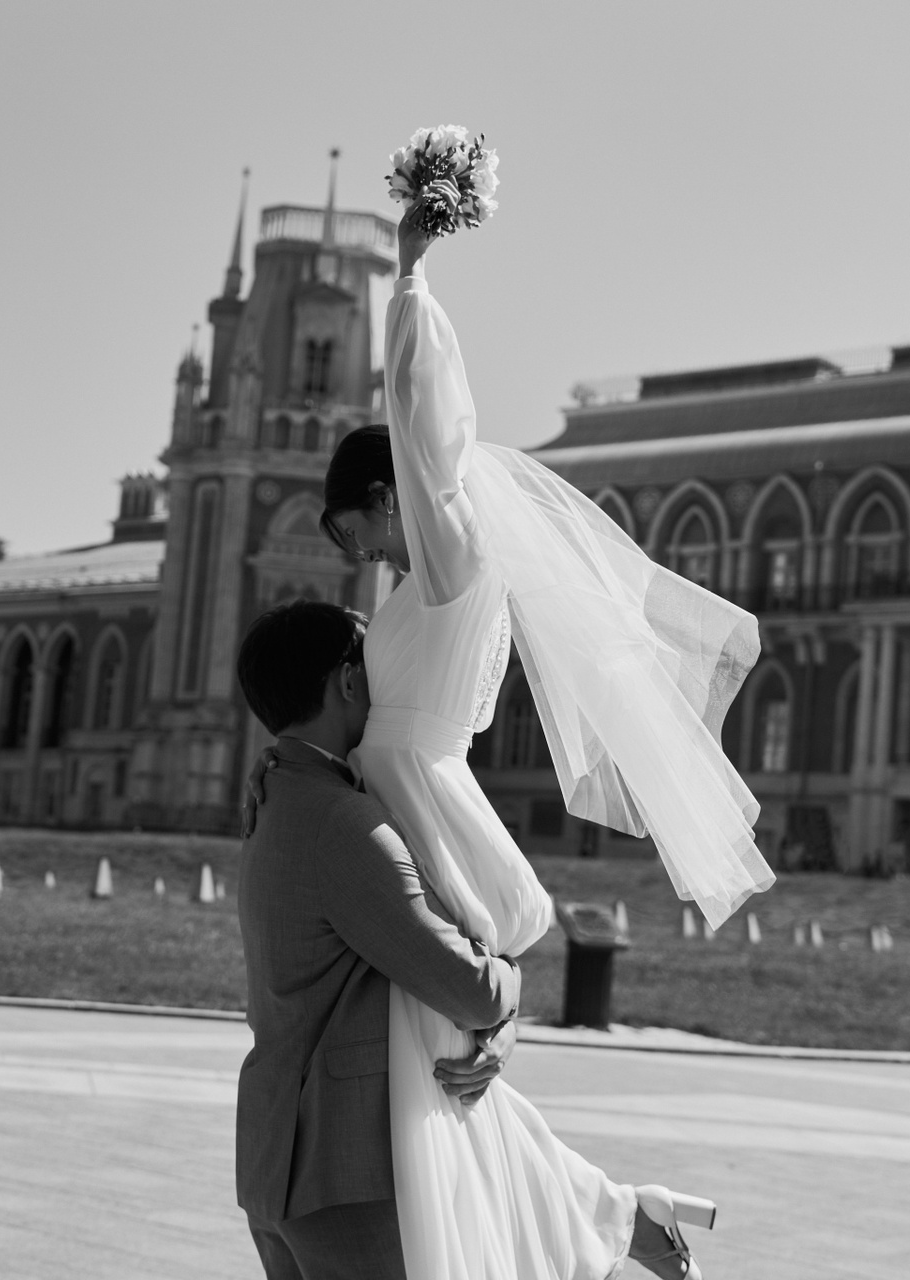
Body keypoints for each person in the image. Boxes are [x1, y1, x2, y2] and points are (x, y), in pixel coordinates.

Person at [247, 207, 772, 1278]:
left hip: (421, 815)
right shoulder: (414, 587)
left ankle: (616, 1217)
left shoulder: (451, 559)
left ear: (392, 495)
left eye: (355, 530)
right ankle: (624, 1214)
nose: (359, 555)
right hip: (406, 806)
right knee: (448, 1091)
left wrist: (410, 275)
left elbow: (420, 414)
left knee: (444, 1077)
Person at [232, 598, 525, 1280]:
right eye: (374, 662)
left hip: (279, 1153)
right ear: (348, 681)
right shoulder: (346, 825)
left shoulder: (276, 791)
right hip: (340, 1170)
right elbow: (470, 990)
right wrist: (512, 978)